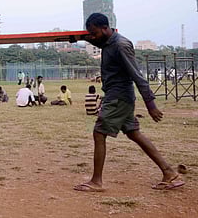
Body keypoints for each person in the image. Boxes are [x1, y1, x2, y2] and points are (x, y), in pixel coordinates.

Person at [74, 13, 184, 192]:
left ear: (105, 28)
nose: (92, 37)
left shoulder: (121, 45)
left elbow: (137, 76)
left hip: (118, 97)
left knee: (99, 132)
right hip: (118, 96)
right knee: (134, 134)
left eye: (94, 33)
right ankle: (169, 173)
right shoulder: (109, 43)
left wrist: (151, 105)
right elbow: (99, 41)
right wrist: (75, 38)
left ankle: (96, 181)